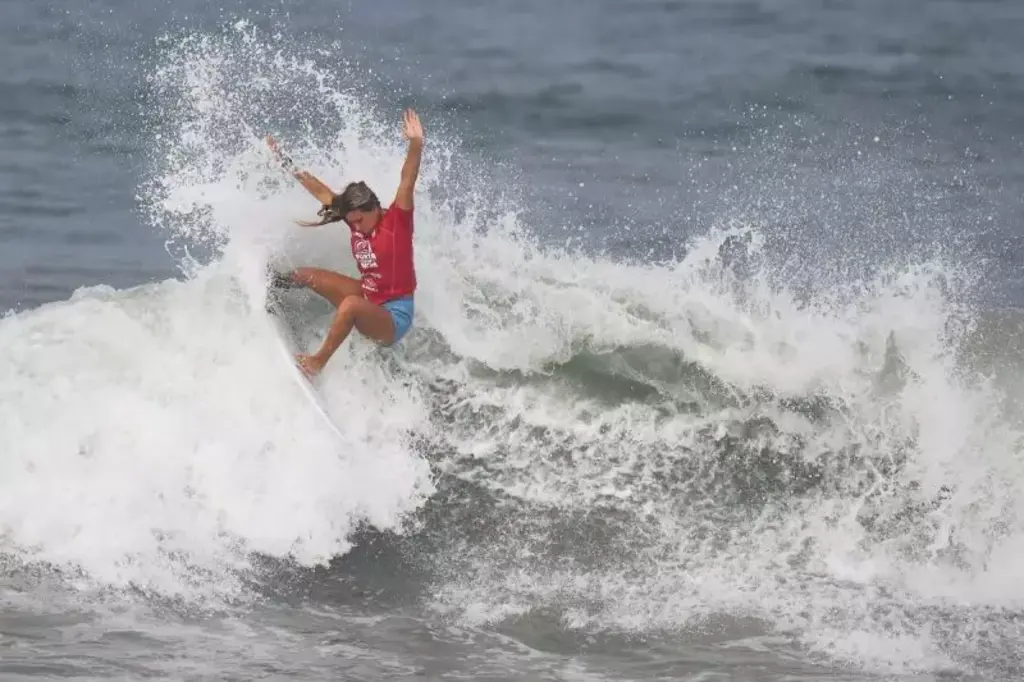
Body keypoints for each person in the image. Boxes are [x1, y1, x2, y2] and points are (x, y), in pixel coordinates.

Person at [265, 108, 424, 378]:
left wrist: (416, 143)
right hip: (369, 296)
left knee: (350, 304)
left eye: (361, 221)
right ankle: (267, 292)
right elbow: (319, 190)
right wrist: (284, 161)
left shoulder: (397, 222)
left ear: (375, 208)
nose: (356, 226)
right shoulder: (353, 217)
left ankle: (317, 363)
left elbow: (407, 179)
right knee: (304, 276)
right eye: (352, 221)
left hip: (394, 316)